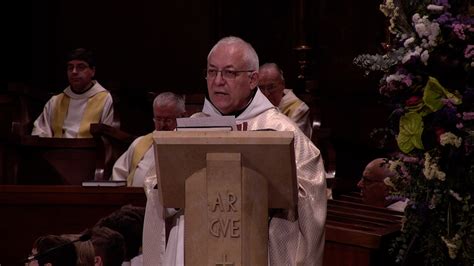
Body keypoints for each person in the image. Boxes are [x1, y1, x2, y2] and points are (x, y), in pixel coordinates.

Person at [142, 36, 327, 265]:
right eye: (212, 72)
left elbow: (311, 192)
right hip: (194, 240)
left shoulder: (280, 131)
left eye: (229, 73)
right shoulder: (191, 129)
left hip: (258, 242)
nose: (218, 81)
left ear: (252, 79)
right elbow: (155, 183)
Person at [32, 48, 115, 138]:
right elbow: (40, 131)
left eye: (81, 67)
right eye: (70, 67)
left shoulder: (104, 99)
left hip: (89, 151)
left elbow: (107, 138)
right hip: (56, 150)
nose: (74, 72)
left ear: (93, 71)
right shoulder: (56, 101)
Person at [111, 92, 185, 187]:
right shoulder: (140, 143)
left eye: (168, 120)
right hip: (134, 200)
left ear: (183, 116)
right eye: (158, 119)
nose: (162, 125)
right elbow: (118, 176)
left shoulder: (188, 144)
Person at [258, 62, 312, 138]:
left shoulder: (299, 109)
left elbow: (294, 141)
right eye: (261, 88)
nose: (266, 93)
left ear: (283, 84)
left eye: (271, 87)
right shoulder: (255, 106)